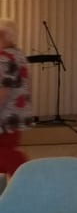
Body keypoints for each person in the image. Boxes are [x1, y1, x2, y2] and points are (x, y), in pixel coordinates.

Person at [0, 19, 31, 176]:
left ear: (3, 36)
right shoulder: (19, 55)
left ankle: (28, 175)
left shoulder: (4, 58)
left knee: (7, 156)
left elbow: (3, 90)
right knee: (7, 151)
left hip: (4, 117)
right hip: (17, 115)